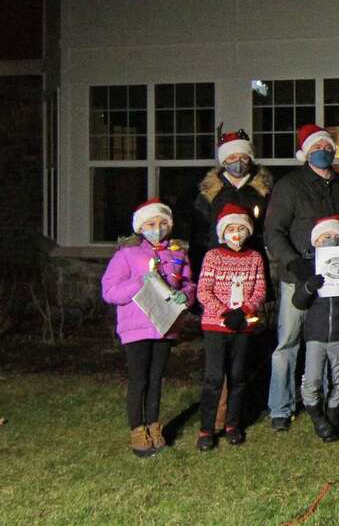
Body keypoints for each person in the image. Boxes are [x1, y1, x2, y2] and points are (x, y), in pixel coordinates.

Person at [263, 124, 339, 431]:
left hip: (334, 278)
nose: (323, 153)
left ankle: (327, 401)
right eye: (316, 148)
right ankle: (281, 406)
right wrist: (292, 263)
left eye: (328, 148)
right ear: (306, 153)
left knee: (326, 339)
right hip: (299, 275)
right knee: (288, 341)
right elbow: (273, 231)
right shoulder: (289, 187)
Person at [100, 198, 196, 457]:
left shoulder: (177, 253)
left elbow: (188, 284)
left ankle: (154, 425)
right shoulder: (126, 255)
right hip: (137, 327)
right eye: (151, 223)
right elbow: (110, 291)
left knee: (156, 378)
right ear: (141, 227)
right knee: (139, 379)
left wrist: (185, 296)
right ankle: (137, 429)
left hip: (165, 325)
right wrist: (139, 283)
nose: (158, 228)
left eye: (163, 223)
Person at [195, 204, 267, 451]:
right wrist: (225, 313)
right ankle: (206, 428)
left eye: (240, 229)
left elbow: (260, 290)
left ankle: (232, 424)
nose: (236, 234)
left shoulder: (254, 258)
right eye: (231, 229)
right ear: (223, 232)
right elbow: (203, 291)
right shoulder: (213, 256)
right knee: (214, 378)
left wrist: (244, 311)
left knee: (238, 377)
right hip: (217, 326)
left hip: (243, 326)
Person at [293, 215, 339, 442]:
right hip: (316, 334)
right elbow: (298, 302)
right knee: (312, 380)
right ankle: (318, 417)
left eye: (337, 237)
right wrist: (308, 287)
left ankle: (333, 421)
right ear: (316, 241)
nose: (332, 241)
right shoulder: (308, 268)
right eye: (326, 237)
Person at [192, 129, 273, 260]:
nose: (238, 162)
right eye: (232, 158)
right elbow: (200, 231)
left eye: (243, 158)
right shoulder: (209, 193)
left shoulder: (263, 191)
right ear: (224, 161)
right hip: (217, 258)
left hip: (253, 256)